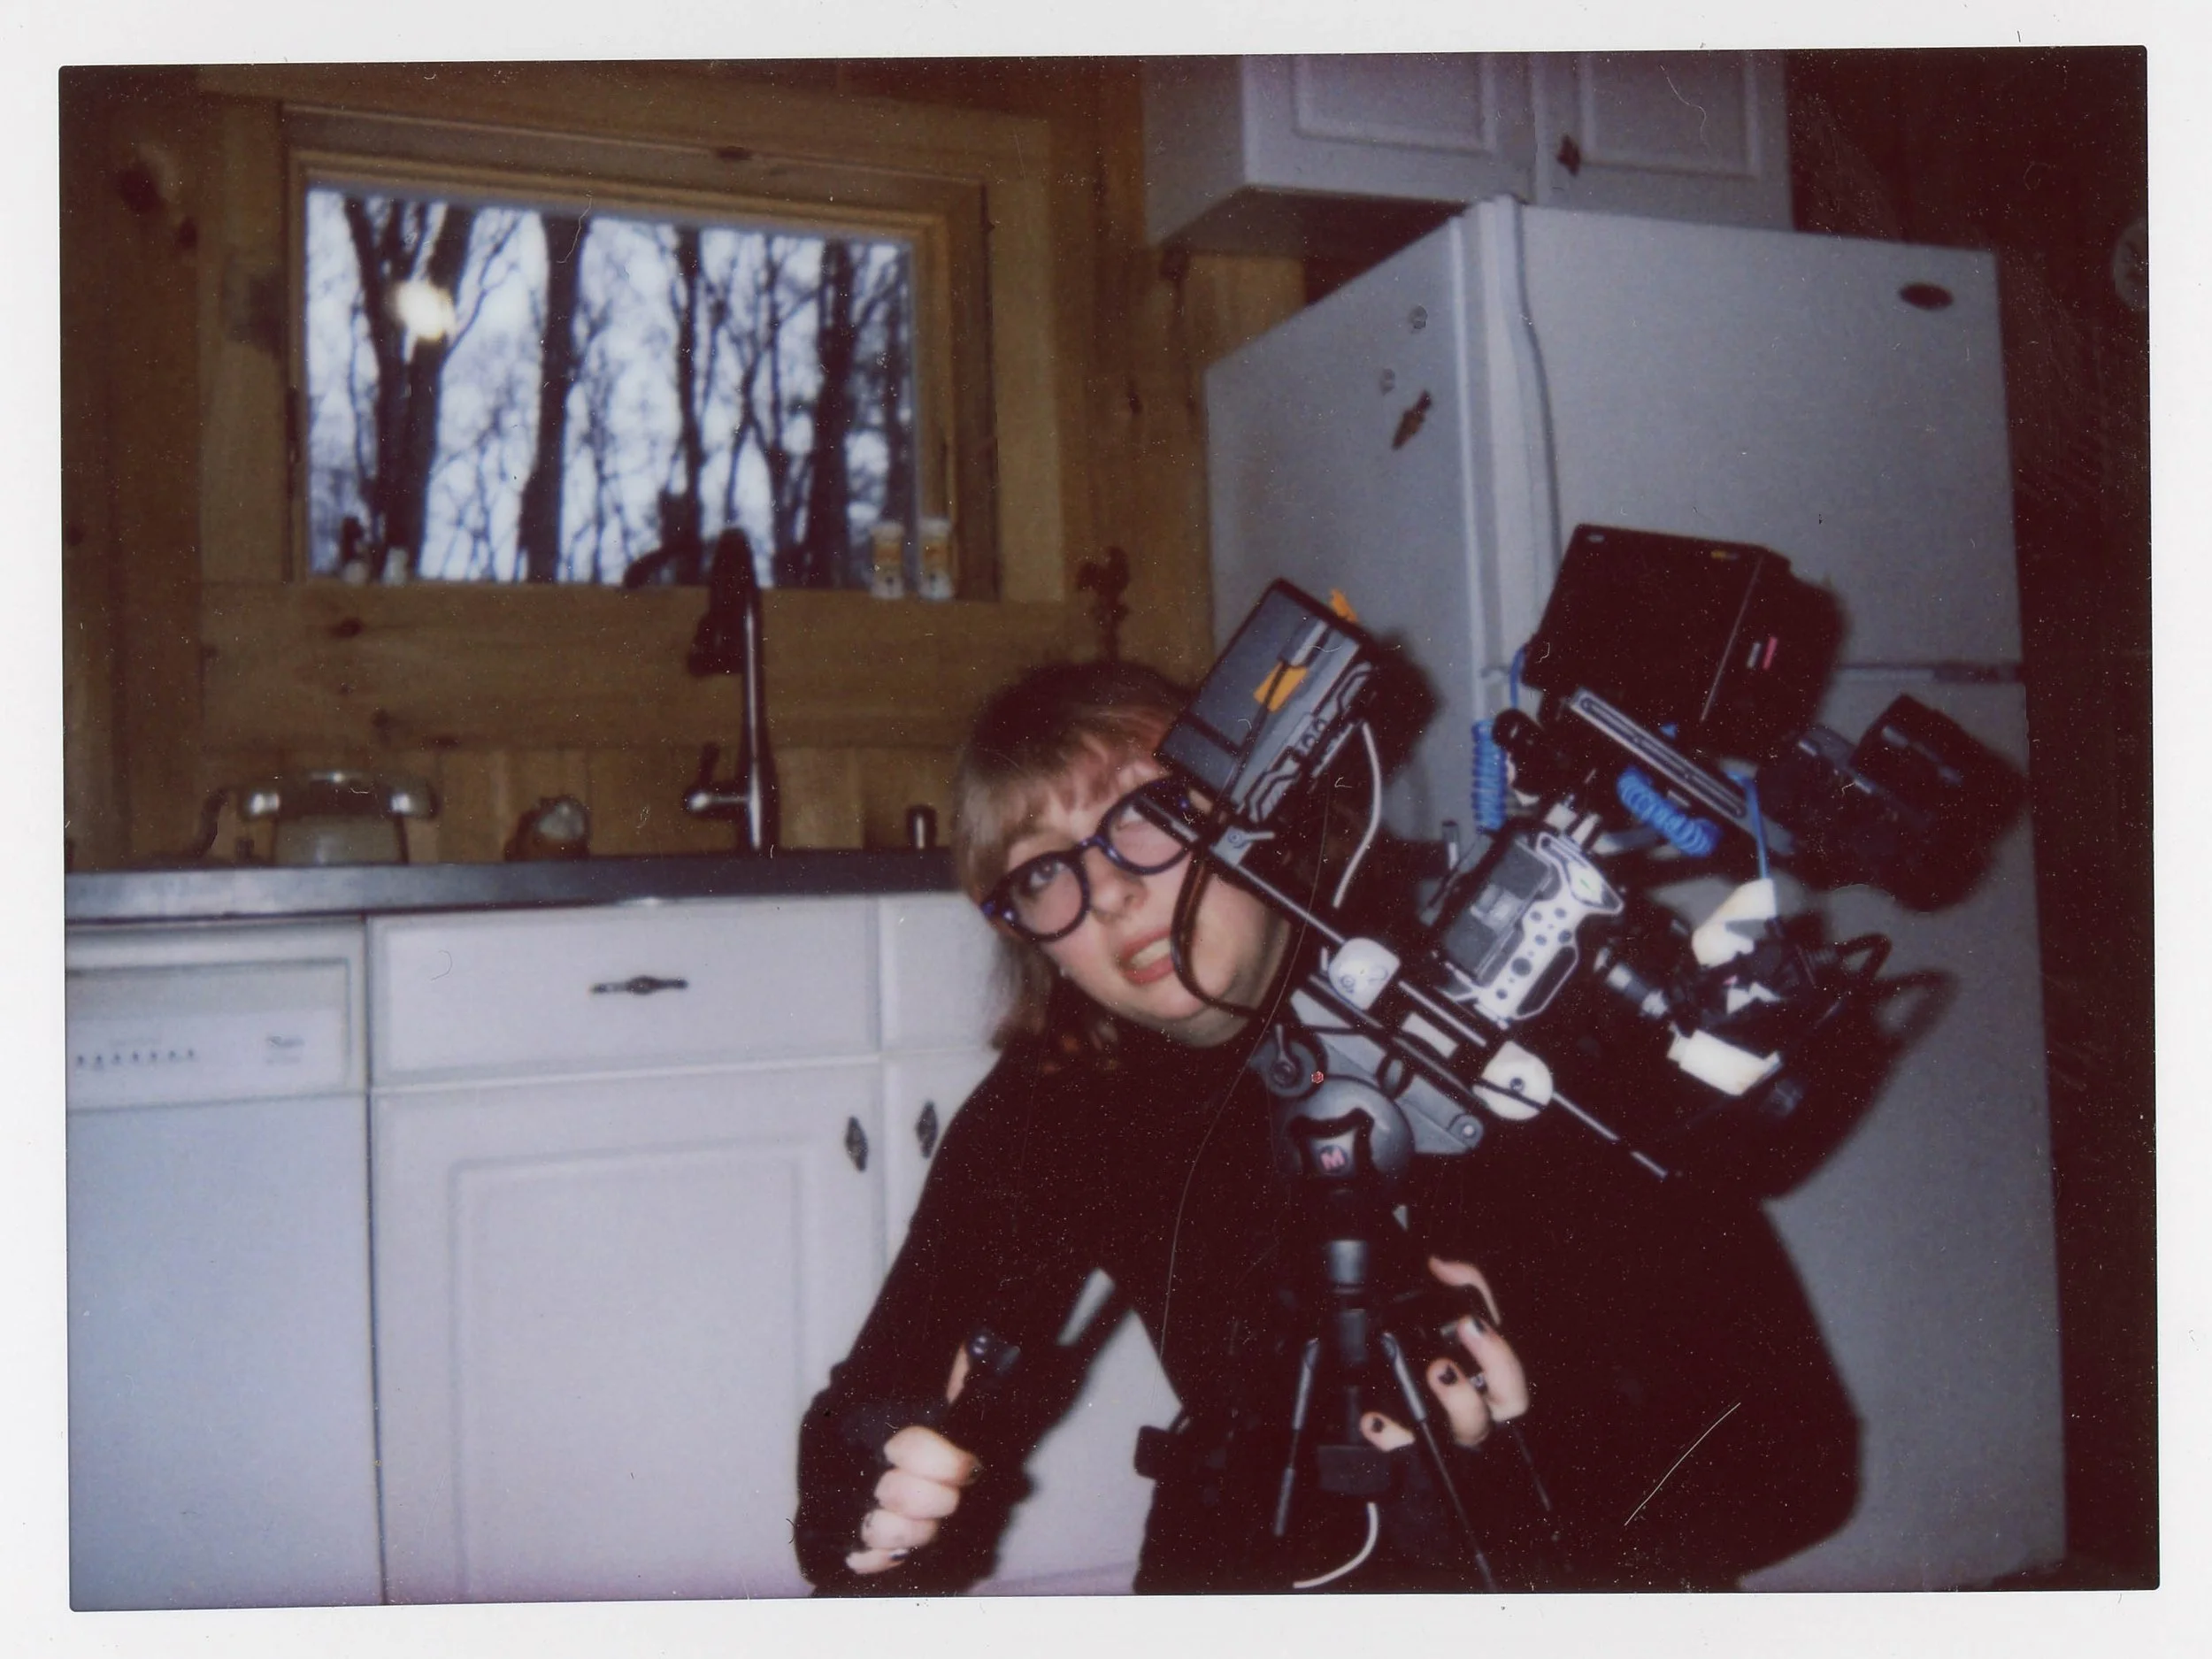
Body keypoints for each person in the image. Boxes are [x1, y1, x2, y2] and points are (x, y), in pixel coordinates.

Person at [793, 659, 1859, 1594]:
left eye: (1149, 817)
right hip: (1260, 1560)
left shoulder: (1491, 1018)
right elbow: (856, 1439)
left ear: (1257, 804)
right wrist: (879, 1506)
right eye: (1040, 872)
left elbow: (1793, 1463)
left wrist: (1513, 1501)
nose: (1108, 893)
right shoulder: (1064, 1099)